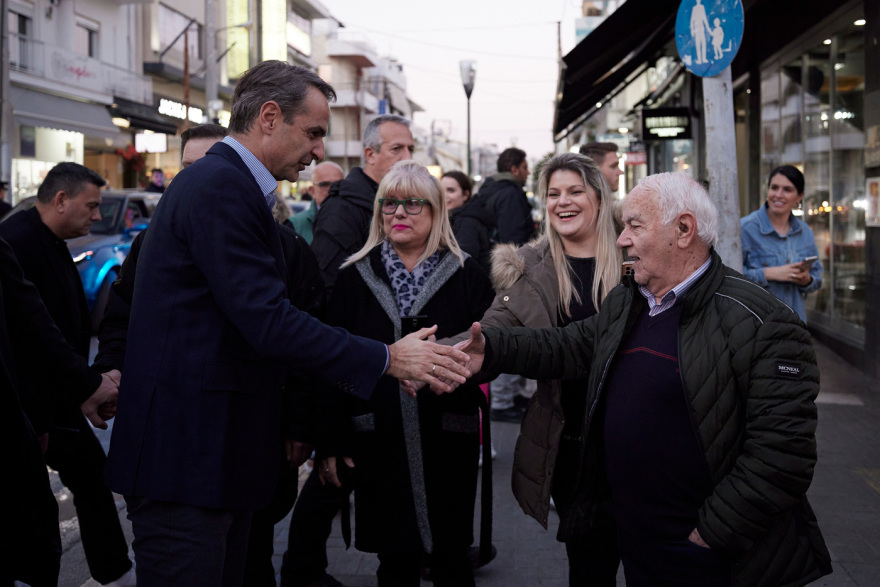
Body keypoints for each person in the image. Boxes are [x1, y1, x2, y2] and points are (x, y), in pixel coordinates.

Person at [103, 61, 470, 587]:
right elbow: (269, 321)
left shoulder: (229, 186)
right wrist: (388, 357)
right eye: (315, 132)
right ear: (270, 117)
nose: (320, 150)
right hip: (187, 463)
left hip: (209, 461)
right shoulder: (220, 186)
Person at [456, 172, 832, 586]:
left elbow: (783, 457)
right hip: (639, 539)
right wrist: (491, 348)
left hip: (712, 554)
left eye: (634, 225)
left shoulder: (762, 322)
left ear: (684, 230)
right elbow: (565, 346)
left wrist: (710, 534)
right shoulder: (629, 301)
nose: (621, 239)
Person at [319, 160, 494, 587]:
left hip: (447, 435)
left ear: (436, 211)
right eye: (390, 204)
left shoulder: (468, 273)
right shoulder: (353, 278)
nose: (399, 213)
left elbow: (494, 349)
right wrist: (331, 439)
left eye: (414, 204)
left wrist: (449, 363)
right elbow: (329, 361)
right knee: (394, 560)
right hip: (378, 437)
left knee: (452, 558)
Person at [482, 153, 622, 585]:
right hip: (573, 445)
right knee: (590, 567)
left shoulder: (636, 252)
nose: (563, 201)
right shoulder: (530, 267)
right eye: (553, 193)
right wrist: (449, 355)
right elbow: (494, 330)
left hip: (641, 440)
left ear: (598, 197)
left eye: (575, 191)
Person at [0, 162, 136, 587]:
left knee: (90, 481)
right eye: (91, 206)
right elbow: (31, 333)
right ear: (60, 200)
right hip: (32, 403)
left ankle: (112, 571)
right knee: (50, 501)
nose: (96, 216)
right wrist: (85, 388)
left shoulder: (49, 238)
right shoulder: (17, 241)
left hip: (52, 400)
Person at [311, 114, 415, 292]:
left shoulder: (408, 205)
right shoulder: (341, 209)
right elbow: (328, 286)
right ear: (371, 154)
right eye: (396, 149)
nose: (407, 158)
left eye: (410, 149)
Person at [477, 147, 535, 423]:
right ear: (514, 168)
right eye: (525, 167)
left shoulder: (490, 190)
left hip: (493, 273)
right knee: (508, 331)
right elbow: (514, 240)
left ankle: (507, 396)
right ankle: (503, 400)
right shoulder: (510, 194)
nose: (528, 172)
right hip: (509, 276)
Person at [740, 165, 822, 324]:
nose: (778, 195)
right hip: (756, 327)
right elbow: (726, 276)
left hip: (795, 326)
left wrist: (806, 280)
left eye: (787, 189)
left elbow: (817, 279)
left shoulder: (805, 232)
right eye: (774, 187)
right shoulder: (745, 229)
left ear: (799, 196)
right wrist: (769, 273)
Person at [442, 170, 493, 275]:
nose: (444, 195)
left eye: (450, 190)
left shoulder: (467, 222)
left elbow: (463, 263)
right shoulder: (454, 218)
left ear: (465, 195)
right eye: (440, 190)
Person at [291, 161, 345, 244]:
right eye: (325, 184)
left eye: (338, 184)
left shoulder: (357, 222)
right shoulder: (295, 225)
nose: (332, 189)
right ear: (312, 191)